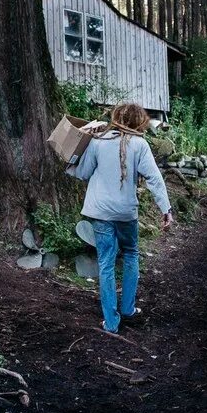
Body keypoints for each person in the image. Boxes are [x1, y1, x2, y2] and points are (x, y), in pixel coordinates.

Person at [69, 103, 173, 333]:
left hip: (101, 212)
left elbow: (83, 173)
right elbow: (155, 179)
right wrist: (166, 209)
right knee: (131, 255)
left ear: (116, 117)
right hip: (126, 213)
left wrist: (69, 164)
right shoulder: (140, 144)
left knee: (106, 264)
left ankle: (112, 323)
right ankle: (127, 309)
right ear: (139, 121)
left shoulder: (98, 141)